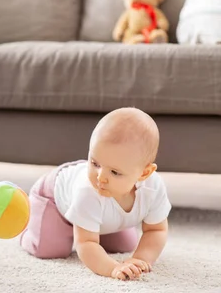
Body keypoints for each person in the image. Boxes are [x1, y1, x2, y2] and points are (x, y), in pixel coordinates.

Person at [20, 107, 172, 281]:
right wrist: (113, 268)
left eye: (114, 172)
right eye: (94, 163)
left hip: (96, 212)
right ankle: (28, 227)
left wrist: (140, 259)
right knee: (50, 250)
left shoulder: (153, 188)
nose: (100, 177)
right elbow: (86, 243)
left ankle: (90, 222)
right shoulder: (88, 191)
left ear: (144, 173)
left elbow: (156, 229)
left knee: (124, 245)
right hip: (53, 200)